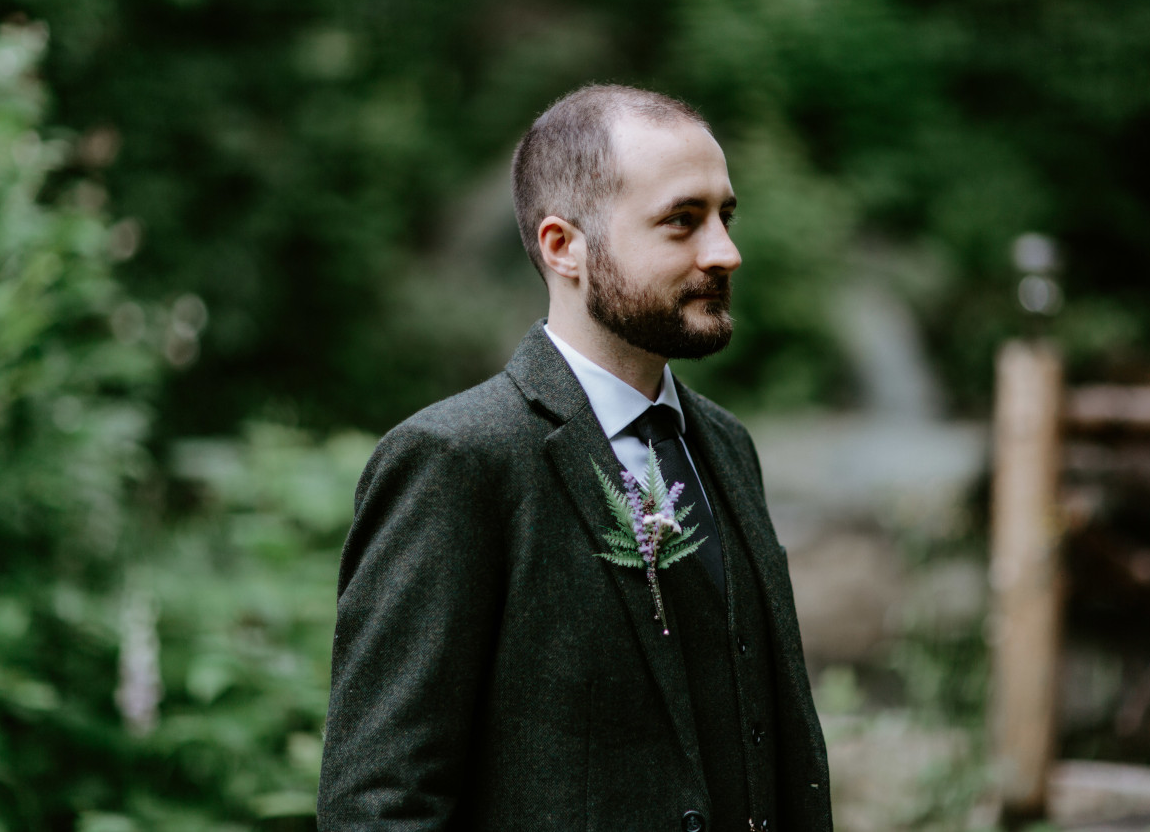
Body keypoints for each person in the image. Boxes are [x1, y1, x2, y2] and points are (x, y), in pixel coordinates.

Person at [317, 85, 831, 832]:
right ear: (565, 247)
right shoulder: (456, 460)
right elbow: (379, 803)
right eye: (682, 221)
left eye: (726, 216)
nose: (725, 252)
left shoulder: (725, 445)